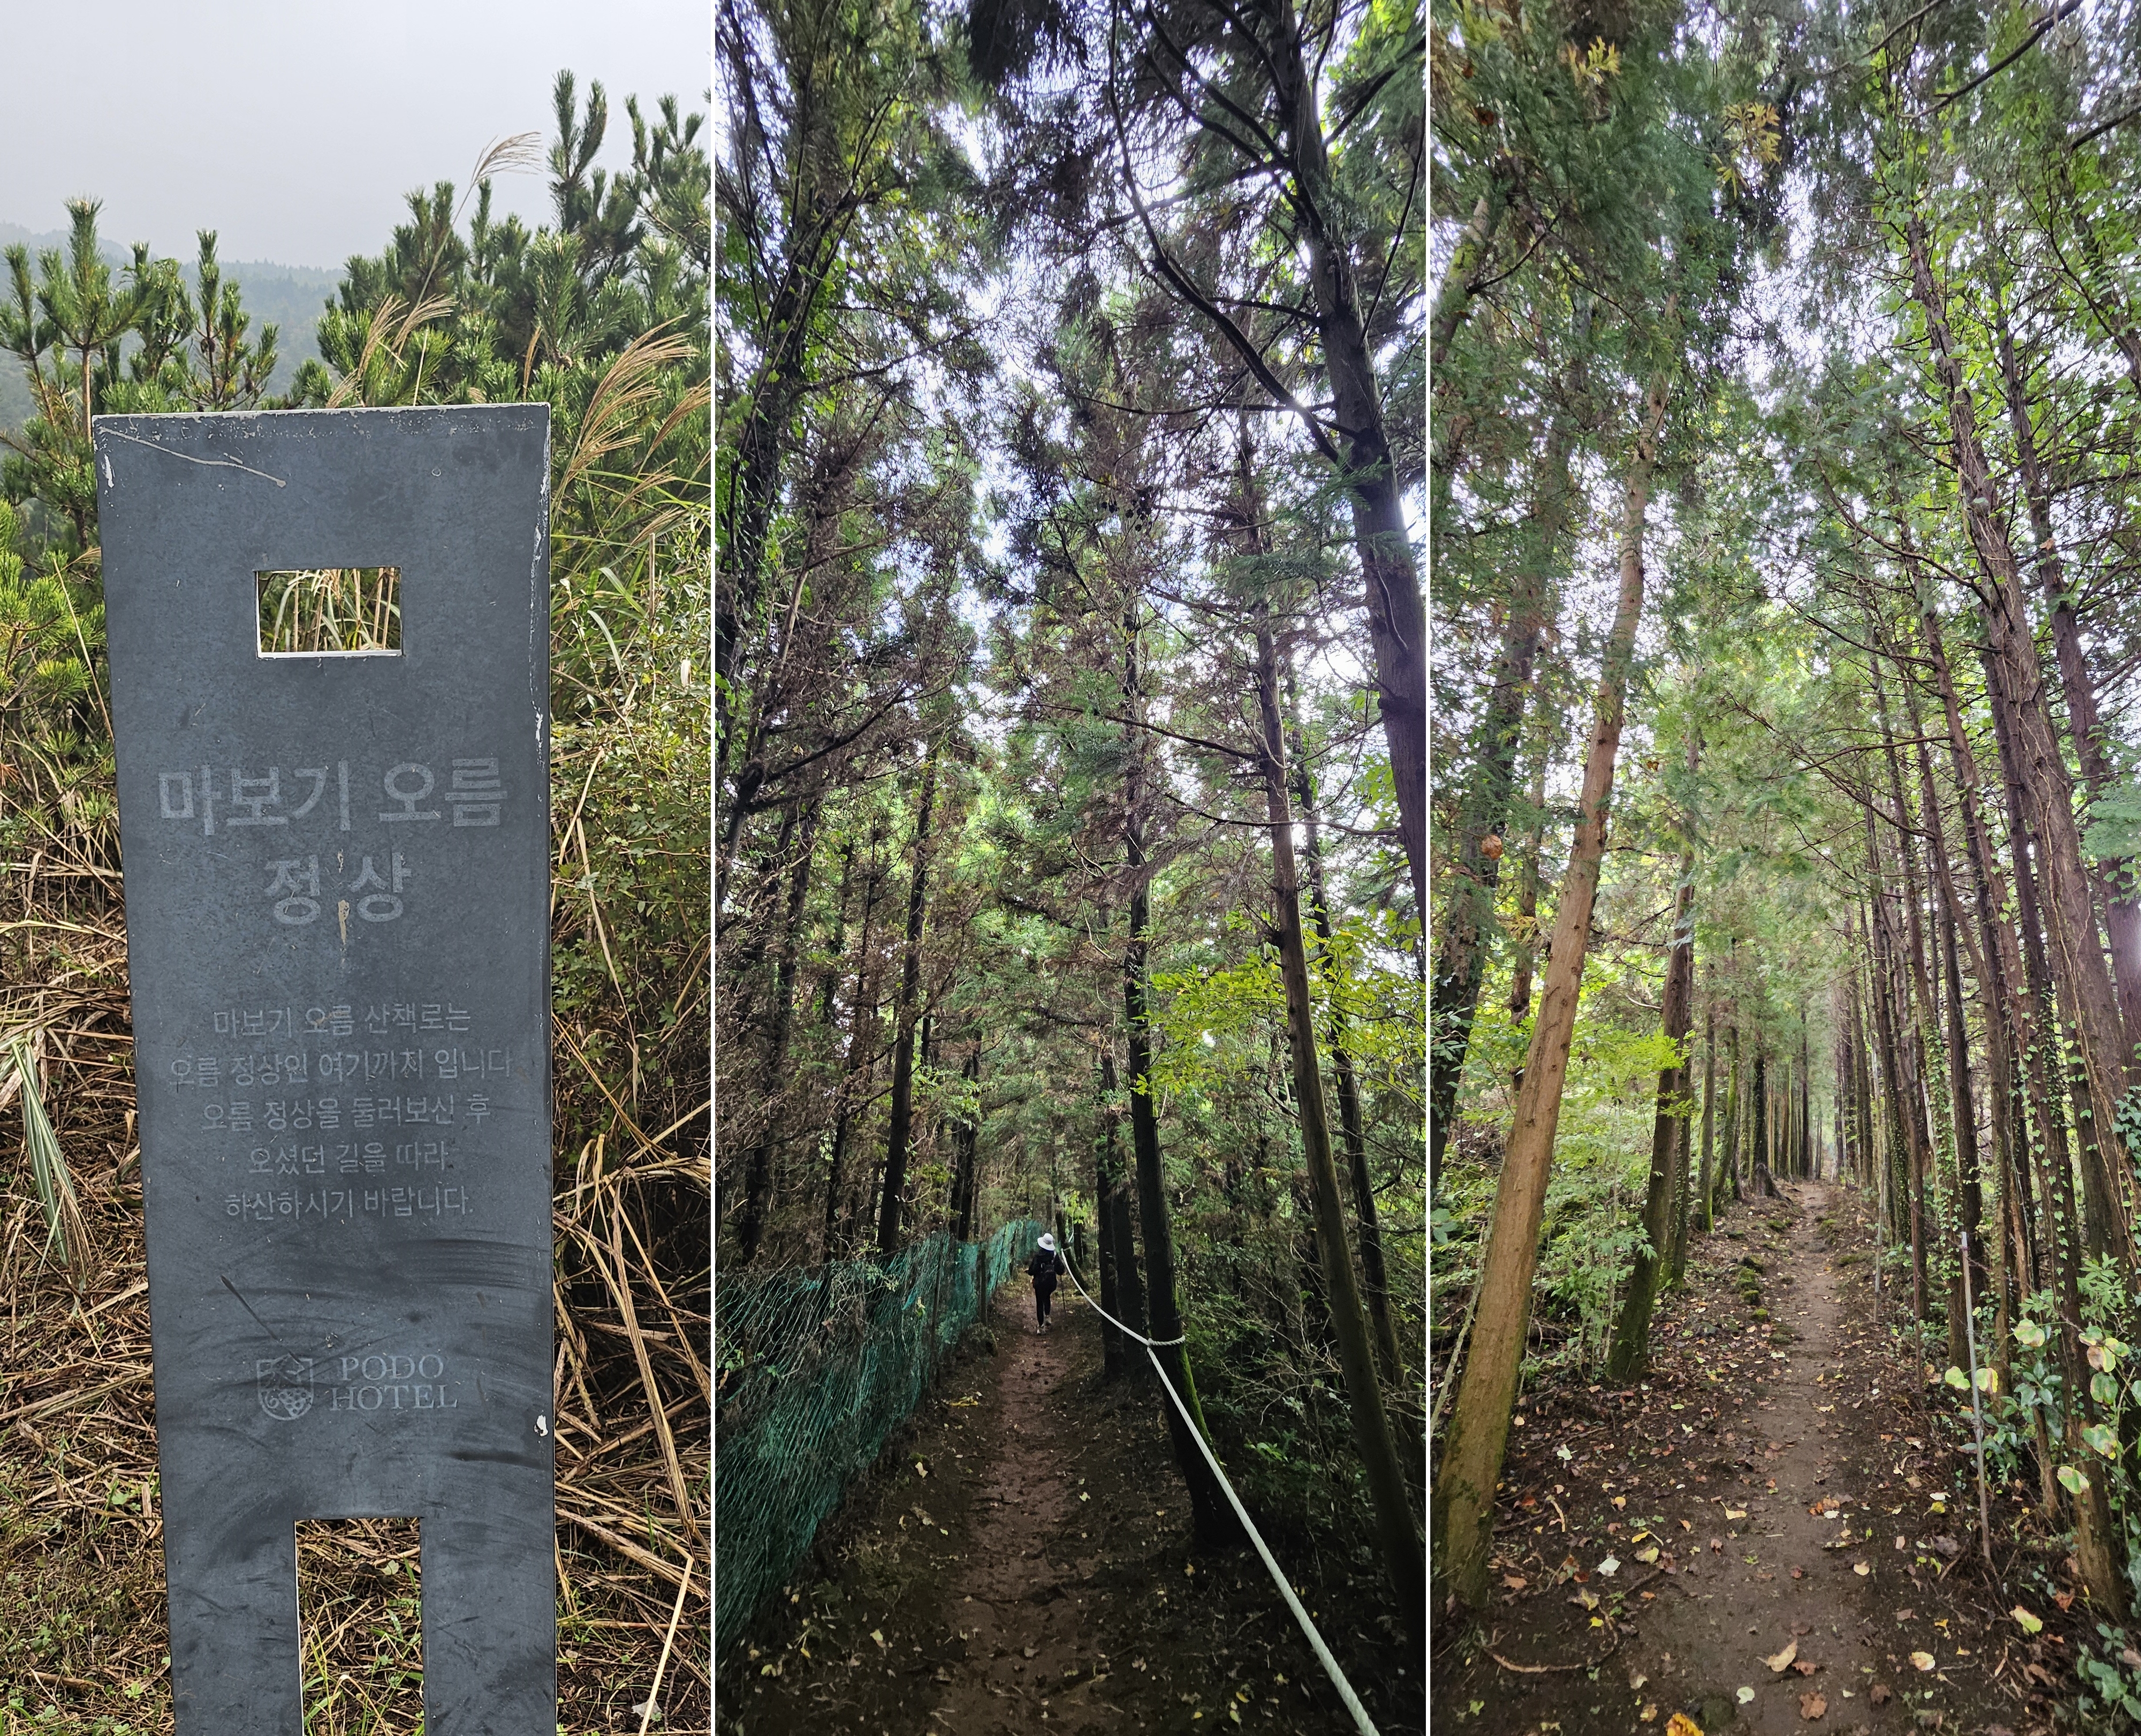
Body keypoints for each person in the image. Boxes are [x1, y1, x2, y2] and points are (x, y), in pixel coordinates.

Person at [1027, 1233, 1064, 1333]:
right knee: (1047, 1296)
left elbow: (1033, 1270)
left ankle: (1041, 1327)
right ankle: (1048, 1316)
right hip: (1051, 1283)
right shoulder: (1055, 1256)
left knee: (1040, 1302)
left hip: (1040, 1283)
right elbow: (1061, 1270)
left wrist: (1030, 1272)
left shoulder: (1038, 1257)